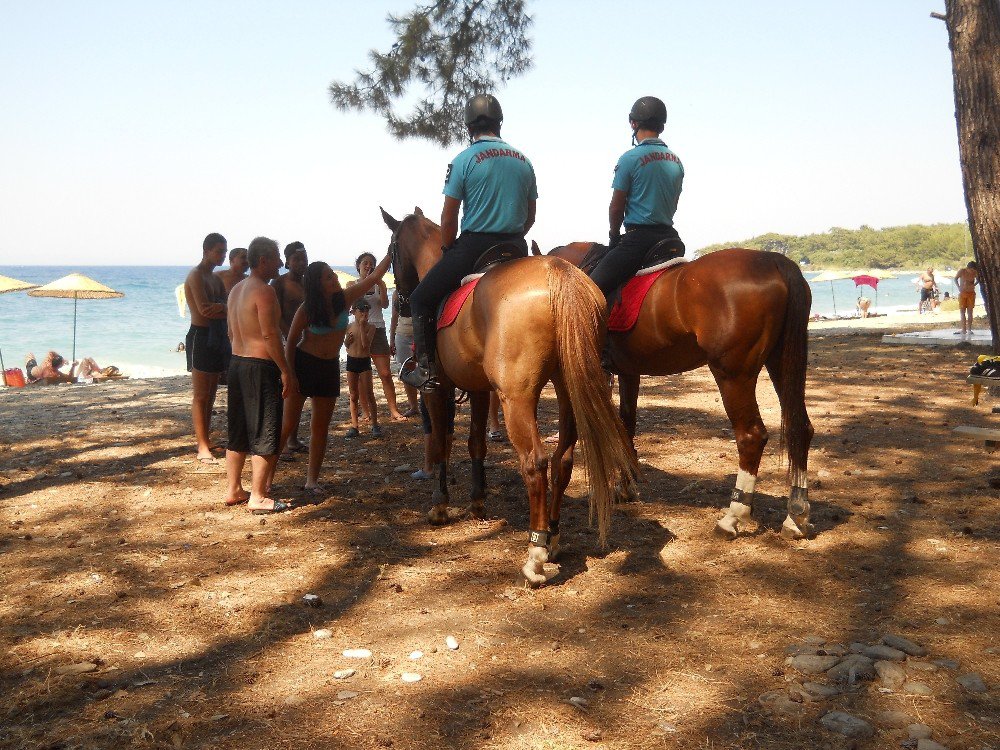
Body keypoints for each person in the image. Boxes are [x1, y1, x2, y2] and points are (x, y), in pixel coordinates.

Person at [403, 93, 537, 390]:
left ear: (468, 127)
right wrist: (514, 236)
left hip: (475, 246)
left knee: (420, 299)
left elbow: (448, 219)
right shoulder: (524, 161)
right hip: (516, 247)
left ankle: (426, 370)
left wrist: (449, 248)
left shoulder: (463, 160)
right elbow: (531, 216)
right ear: (499, 123)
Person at [279, 254, 392, 493]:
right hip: (304, 364)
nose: (335, 279)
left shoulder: (344, 299)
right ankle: (264, 481)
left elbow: (374, 276)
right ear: (317, 284)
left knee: (320, 428)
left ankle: (312, 480)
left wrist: (392, 248)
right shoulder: (307, 308)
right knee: (288, 425)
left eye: (333, 274)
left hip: (329, 367)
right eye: (329, 277)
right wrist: (290, 375)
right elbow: (290, 344)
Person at [589, 96, 685, 306]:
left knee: (587, 290)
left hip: (638, 241)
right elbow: (674, 202)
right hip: (671, 239)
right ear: (661, 125)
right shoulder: (676, 161)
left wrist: (614, 237)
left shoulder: (629, 159)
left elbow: (616, 207)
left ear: (633, 123)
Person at [224, 236, 297, 512]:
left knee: (238, 429)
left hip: (237, 363)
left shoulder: (236, 290)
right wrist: (284, 369)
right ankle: (258, 495)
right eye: (277, 258)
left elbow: (231, 332)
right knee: (266, 429)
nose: (281, 263)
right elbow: (269, 334)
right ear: (263, 260)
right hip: (259, 367)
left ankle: (233, 489)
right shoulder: (264, 292)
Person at [183, 233, 230, 462]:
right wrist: (222, 307)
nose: (223, 255)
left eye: (224, 251)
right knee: (201, 394)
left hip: (217, 335)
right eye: (219, 251)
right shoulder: (196, 276)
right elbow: (204, 310)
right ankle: (201, 446)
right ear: (206, 250)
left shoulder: (216, 278)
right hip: (201, 336)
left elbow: (226, 305)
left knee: (212, 393)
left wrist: (221, 307)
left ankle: (207, 440)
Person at [349, 253, 406, 421]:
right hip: (359, 329)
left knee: (385, 373)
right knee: (361, 376)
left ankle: (393, 410)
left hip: (378, 328)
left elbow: (385, 304)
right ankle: (366, 411)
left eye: (372, 264)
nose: (368, 266)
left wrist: (380, 283)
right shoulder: (352, 284)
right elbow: (350, 306)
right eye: (365, 263)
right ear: (358, 265)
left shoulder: (380, 283)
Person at [273, 241, 308, 453]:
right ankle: (282, 441)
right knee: (284, 390)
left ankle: (293, 439)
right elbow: (275, 315)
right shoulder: (279, 283)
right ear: (287, 261)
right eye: (296, 259)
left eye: (304, 258)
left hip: (305, 342)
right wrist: (289, 335)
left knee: (299, 390)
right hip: (286, 341)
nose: (301, 263)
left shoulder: (308, 284)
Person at [345, 300, 380, 438]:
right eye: (361, 311)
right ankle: (354, 425)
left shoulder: (371, 327)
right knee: (353, 395)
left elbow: (366, 345)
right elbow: (347, 345)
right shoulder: (349, 326)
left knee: (369, 394)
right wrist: (347, 340)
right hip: (351, 361)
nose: (365, 314)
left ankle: (375, 424)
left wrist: (361, 326)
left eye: (367, 311)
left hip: (364, 361)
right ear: (354, 312)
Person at [389, 289, 420, 417]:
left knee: (426, 369)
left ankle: (427, 404)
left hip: (419, 333)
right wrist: (391, 339)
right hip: (402, 334)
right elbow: (394, 317)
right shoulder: (397, 293)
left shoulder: (420, 285)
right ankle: (413, 406)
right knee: (406, 371)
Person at [956, 261, 979, 335]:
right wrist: (959, 286)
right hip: (963, 293)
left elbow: (978, 279)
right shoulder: (962, 271)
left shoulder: (975, 272)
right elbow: (955, 279)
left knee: (970, 311)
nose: (972, 271)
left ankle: (969, 329)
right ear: (968, 268)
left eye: (974, 270)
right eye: (971, 270)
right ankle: (963, 329)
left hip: (971, 293)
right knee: (962, 311)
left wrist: (973, 285)